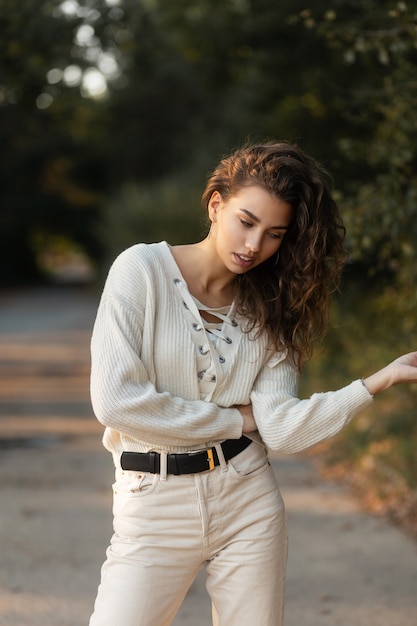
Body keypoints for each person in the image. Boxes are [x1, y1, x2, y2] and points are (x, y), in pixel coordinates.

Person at [89, 141, 417, 626]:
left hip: (247, 500)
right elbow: (117, 403)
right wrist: (233, 420)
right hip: (151, 505)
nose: (253, 245)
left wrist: (372, 384)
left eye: (274, 233)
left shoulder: (272, 310)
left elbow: (280, 429)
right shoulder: (141, 272)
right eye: (246, 221)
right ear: (216, 204)